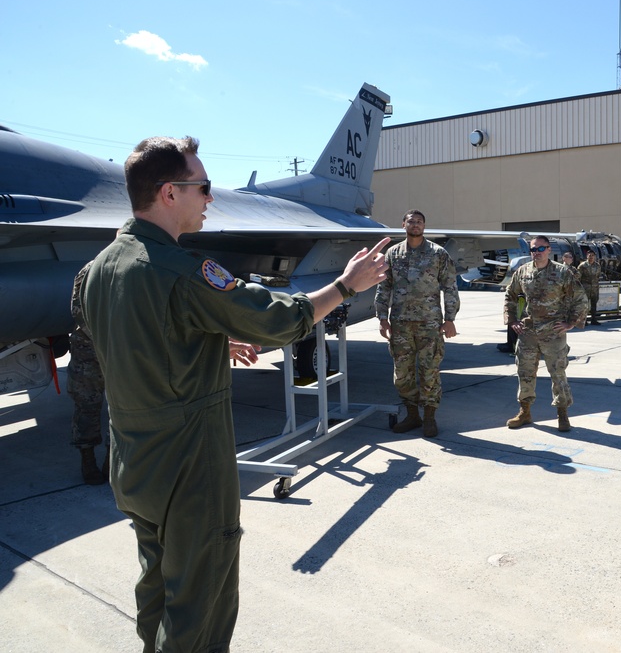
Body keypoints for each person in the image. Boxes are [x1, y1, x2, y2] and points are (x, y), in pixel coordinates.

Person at [80, 136, 389, 653]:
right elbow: (281, 320)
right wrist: (346, 286)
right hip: (190, 468)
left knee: (155, 586)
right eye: (202, 186)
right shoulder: (180, 270)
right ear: (169, 193)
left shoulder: (99, 269)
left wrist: (209, 338)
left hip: (135, 462)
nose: (210, 197)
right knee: (200, 603)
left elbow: (133, 337)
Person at [375, 210, 460, 438]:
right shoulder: (393, 254)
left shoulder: (438, 254)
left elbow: (450, 286)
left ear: (424, 226)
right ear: (403, 224)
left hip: (429, 324)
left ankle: (430, 418)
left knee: (430, 371)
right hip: (400, 324)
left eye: (419, 222)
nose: (415, 225)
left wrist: (450, 319)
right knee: (402, 374)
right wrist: (382, 318)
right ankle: (413, 415)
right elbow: (384, 287)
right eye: (411, 221)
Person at [504, 235, 588, 432]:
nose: (537, 253)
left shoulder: (562, 272)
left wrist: (571, 323)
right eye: (533, 249)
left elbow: (581, 298)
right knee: (524, 372)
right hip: (528, 332)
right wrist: (512, 320)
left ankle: (562, 415)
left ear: (549, 250)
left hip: (553, 332)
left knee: (558, 374)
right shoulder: (523, 271)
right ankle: (524, 412)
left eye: (541, 249)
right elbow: (510, 294)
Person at [68, 260, 109, 485]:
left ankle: (112, 460)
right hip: (89, 349)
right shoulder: (92, 268)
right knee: (87, 404)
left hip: (119, 347)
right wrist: (105, 338)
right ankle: (87, 459)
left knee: (122, 406)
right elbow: (78, 309)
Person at [577, 248, 602, 325]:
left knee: (594, 304)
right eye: (589, 255)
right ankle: (584, 320)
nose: (591, 257)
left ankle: (593, 319)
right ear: (587, 256)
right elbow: (578, 277)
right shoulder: (582, 266)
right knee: (585, 305)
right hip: (585, 288)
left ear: (595, 257)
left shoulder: (597, 266)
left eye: (592, 255)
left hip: (594, 288)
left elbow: (597, 276)